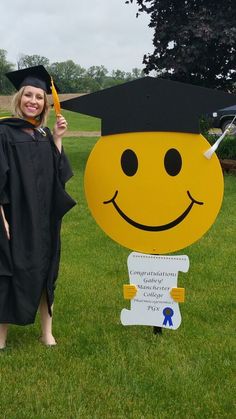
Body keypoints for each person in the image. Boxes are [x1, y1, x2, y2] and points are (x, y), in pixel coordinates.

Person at [0, 65, 76, 349]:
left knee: (46, 270)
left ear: (46, 103)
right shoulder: (4, 133)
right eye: (28, 95)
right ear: (19, 99)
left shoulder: (44, 135)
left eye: (39, 97)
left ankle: (46, 332)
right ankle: (1, 337)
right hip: (17, 215)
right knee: (10, 270)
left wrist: (57, 139)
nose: (33, 101)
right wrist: (2, 217)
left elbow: (58, 175)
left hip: (44, 218)